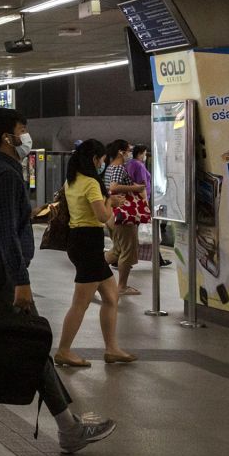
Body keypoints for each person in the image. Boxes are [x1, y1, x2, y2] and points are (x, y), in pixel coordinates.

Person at [0, 108, 116, 456]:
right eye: (22, 128)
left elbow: (0, 224)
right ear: (6, 137)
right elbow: (3, 232)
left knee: (31, 344)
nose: (27, 134)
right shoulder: (5, 173)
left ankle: (69, 428)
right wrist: (21, 280)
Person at [55, 140, 137, 368]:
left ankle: (112, 348)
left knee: (111, 297)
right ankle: (63, 350)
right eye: (101, 159)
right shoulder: (91, 183)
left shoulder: (71, 181)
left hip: (79, 240)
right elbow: (102, 216)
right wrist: (112, 201)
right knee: (80, 302)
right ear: (94, 159)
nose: (103, 163)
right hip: (88, 242)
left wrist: (109, 201)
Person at [103, 140, 145, 296]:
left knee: (117, 249)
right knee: (127, 250)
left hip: (112, 214)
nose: (130, 153)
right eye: (129, 150)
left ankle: (93, 271)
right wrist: (136, 188)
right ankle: (122, 286)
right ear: (121, 152)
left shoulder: (109, 168)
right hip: (123, 214)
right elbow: (114, 187)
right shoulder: (118, 168)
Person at [127, 144, 169, 267]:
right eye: (145, 153)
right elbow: (142, 185)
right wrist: (145, 204)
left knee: (132, 232)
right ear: (140, 153)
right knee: (147, 232)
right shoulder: (139, 165)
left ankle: (158, 259)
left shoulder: (130, 163)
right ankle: (120, 258)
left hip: (133, 201)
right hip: (140, 201)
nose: (145, 156)